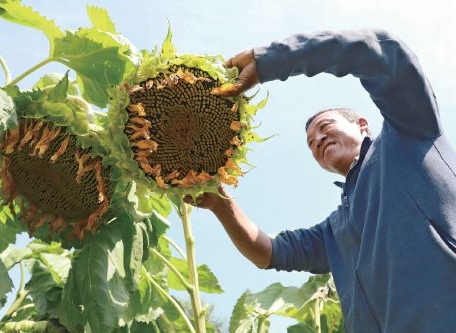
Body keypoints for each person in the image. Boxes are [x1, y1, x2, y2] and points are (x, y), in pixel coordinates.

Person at [188, 29, 456, 332]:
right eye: (311, 143)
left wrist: (272, 61)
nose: (318, 140)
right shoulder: (336, 229)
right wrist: (220, 204)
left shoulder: (408, 135)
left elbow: (383, 53)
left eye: (326, 126)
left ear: (363, 125)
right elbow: (270, 252)